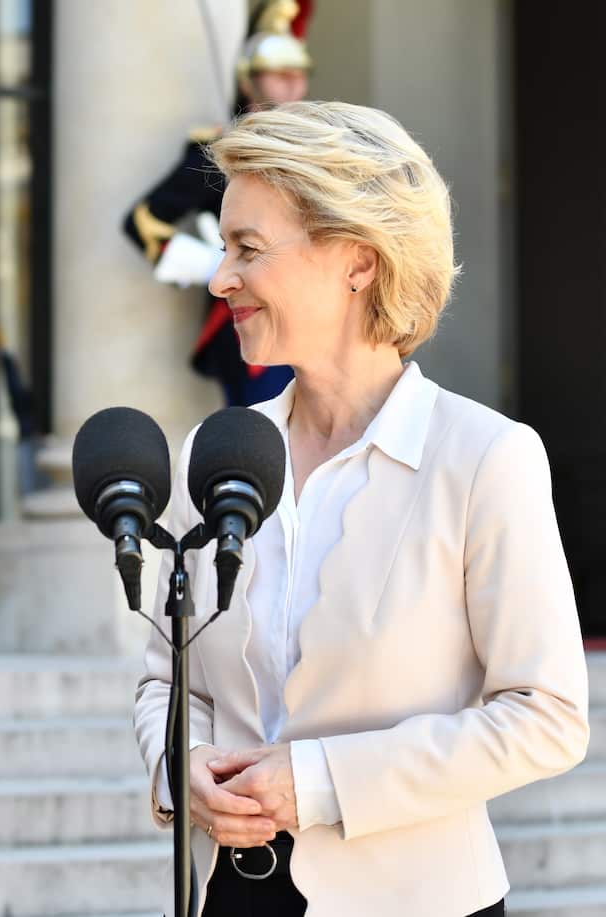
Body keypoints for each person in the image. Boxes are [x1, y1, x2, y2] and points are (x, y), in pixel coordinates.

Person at [133, 101, 590, 916]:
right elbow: (168, 680)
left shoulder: (485, 457)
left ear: (357, 261)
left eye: (248, 248)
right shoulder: (217, 447)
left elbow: (546, 715)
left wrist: (316, 781)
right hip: (227, 897)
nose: (218, 276)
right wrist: (183, 765)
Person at [121, 0, 311, 407]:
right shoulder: (220, 151)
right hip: (251, 312)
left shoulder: (312, 150)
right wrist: (214, 263)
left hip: (306, 311)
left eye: (298, 76)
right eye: (279, 76)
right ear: (249, 81)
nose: (293, 87)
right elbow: (142, 220)